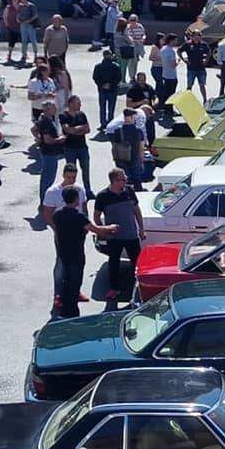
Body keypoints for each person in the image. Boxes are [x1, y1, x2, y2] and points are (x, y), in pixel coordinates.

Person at [52, 186, 117, 319]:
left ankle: (64, 307)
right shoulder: (78, 216)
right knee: (75, 281)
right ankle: (71, 313)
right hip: (76, 253)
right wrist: (111, 227)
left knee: (66, 280)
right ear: (76, 199)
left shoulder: (57, 214)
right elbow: (96, 229)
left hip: (63, 252)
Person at [94, 168, 146, 310]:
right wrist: (103, 232)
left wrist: (141, 229)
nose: (126, 181)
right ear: (115, 181)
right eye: (123, 179)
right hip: (114, 237)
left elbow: (136, 210)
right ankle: (114, 289)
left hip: (131, 235)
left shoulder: (129, 191)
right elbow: (96, 216)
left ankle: (140, 287)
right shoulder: (103, 196)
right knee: (114, 263)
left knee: (137, 262)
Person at [106, 108, 147, 189]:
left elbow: (114, 145)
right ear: (132, 117)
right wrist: (141, 160)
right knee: (137, 182)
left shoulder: (117, 131)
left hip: (121, 159)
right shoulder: (138, 132)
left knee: (124, 182)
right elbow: (141, 148)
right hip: (135, 158)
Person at [59, 95, 92, 194]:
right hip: (70, 148)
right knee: (71, 171)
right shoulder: (63, 116)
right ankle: (70, 191)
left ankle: (88, 190)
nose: (80, 105)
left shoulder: (82, 115)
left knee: (86, 170)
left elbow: (88, 129)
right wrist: (81, 128)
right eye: (78, 103)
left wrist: (76, 130)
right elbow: (68, 130)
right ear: (71, 104)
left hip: (82, 147)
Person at [93, 50, 121, 131]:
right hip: (112, 90)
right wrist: (111, 84)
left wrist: (102, 85)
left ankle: (103, 124)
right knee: (111, 108)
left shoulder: (98, 66)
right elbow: (118, 78)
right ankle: (110, 123)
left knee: (102, 108)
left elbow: (95, 78)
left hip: (102, 90)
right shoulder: (116, 66)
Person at [179, 31, 211, 102]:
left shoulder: (203, 44)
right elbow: (179, 51)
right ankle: (187, 100)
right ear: (192, 37)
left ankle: (205, 100)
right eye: (195, 36)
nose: (197, 38)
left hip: (201, 68)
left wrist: (206, 60)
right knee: (189, 86)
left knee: (202, 85)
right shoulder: (187, 44)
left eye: (199, 36)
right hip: (191, 69)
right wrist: (184, 60)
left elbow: (209, 52)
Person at [159, 33, 180, 110]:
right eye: (175, 40)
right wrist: (178, 61)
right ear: (171, 41)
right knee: (171, 93)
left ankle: (164, 107)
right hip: (171, 75)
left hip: (165, 73)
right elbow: (173, 65)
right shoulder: (171, 51)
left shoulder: (163, 49)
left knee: (166, 92)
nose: (176, 42)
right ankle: (169, 109)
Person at [16, 0, 39, 64]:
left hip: (30, 24)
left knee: (33, 40)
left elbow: (36, 15)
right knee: (24, 40)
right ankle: (24, 55)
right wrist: (17, 18)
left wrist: (29, 20)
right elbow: (18, 13)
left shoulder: (31, 6)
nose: (21, 0)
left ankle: (35, 55)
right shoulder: (20, 6)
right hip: (23, 24)